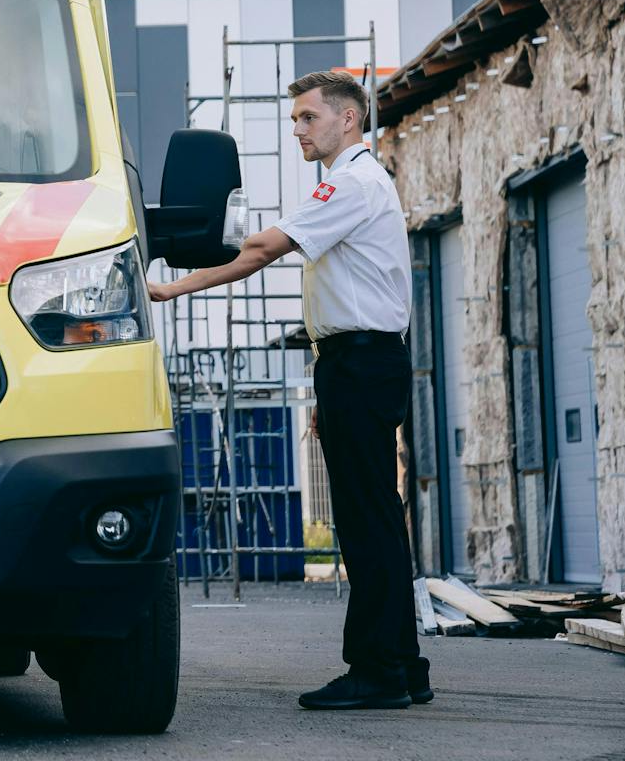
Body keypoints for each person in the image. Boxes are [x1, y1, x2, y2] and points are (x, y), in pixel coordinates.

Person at [148, 70, 429, 711]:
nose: (297, 129)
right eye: (295, 118)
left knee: (364, 523)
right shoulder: (361, 182)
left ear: (348, 119)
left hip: (359, 363)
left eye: (308, 117)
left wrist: (169, 287)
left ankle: (377, 671)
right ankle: (404, 665)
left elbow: (260, 249)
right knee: (377, 518)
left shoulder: (349, 184)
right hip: (357, 360)